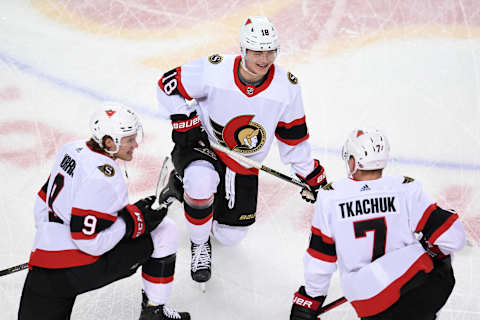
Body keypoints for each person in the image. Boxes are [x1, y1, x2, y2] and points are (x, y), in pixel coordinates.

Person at [156, 16, 327, 284]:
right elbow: (167, 85)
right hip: (204, 147)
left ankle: (181, 189)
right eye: (257, 51)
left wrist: (310, 174)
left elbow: (292, 136)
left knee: (229, 236)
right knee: (201, 183)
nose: (264, 58)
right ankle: (199, 242)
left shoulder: (287, 87)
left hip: (244, 163)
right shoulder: (215, 70)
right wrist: (184, 118)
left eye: (270, 51)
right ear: (243, 49)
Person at [18, 104, 190, 320]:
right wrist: (132, 222)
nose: (135, 144)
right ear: (109, 142)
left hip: (43, 265)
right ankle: (154, 312)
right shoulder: (106, 177)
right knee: (165, 230)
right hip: (76, 269)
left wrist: (51, 245)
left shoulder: (71, 149)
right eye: (129, 140)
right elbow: (89, 241)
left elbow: (42, 204)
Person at [290, 128, 466, 320]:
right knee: (440, 260)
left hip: (370, 302)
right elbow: (453, 238)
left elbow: (320, 260)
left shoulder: (330, 198)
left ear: (354, 161)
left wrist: (309, 300)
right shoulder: (405, 188)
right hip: (420, 289)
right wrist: (431, 249)